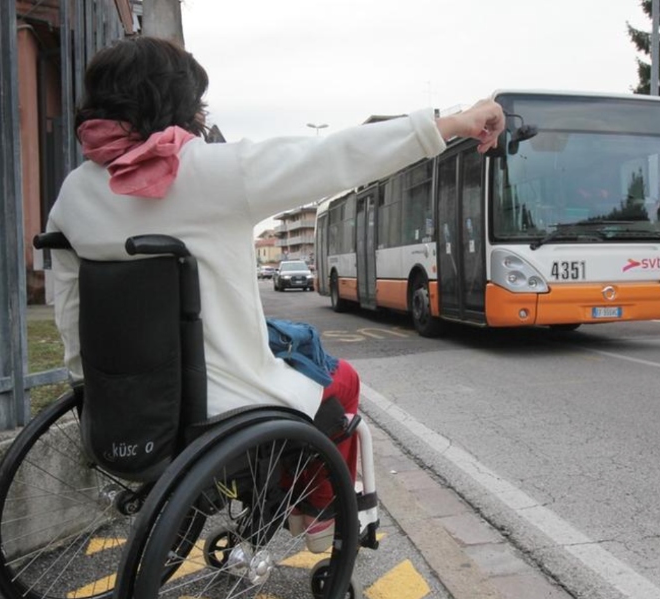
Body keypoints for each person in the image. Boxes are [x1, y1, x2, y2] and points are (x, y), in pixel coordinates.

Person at [46, 36, 504, 548]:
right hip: (224, 400)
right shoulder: (205, 171)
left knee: (292, 340)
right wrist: (449, 123)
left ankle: (282, 491)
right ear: (173, 102)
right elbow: (335, 156)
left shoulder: (75, 192)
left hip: (129, 399)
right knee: (342, 379)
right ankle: (318, 511)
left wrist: (85, 383)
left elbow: (68, 302)